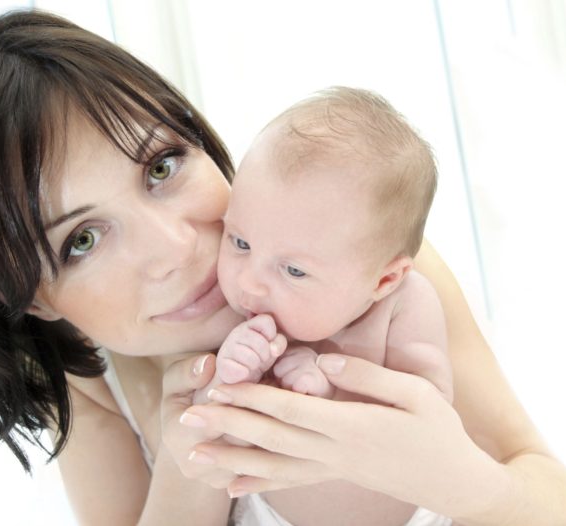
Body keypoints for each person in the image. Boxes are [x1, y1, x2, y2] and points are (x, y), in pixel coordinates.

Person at [0, 9, 566, 526]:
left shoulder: (362, 282)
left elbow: (558, 503)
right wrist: (193, 458)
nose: (175, 247)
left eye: (161, 166)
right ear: (29, 300)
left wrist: (455, 478)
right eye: (82, 240)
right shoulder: (92, 383)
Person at [190, 86, 454, 525]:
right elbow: (206, 427)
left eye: (293, 271)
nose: (250, 281)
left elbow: (430, 420)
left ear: (383, 280)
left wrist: (332, 397)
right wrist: (231, 370)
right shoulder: (243, 314)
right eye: (239, 242)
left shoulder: (404, 307)